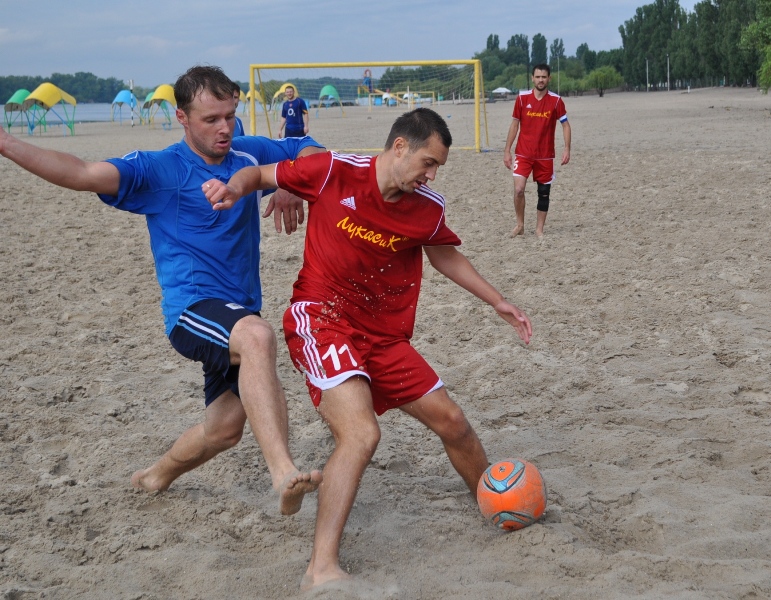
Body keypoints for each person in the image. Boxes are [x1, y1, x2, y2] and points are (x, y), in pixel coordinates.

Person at [203, 107, 533, 590]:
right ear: (399, 147)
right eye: (427, 162)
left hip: (382, 336)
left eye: (437, 167)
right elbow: (259, 174)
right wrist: (234, 188)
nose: (431, 175)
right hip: (321, 320)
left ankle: (496, 498)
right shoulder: (333, 170)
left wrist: (497, 300)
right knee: (361, 434)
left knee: (454, 422)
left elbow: (443, 253)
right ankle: (320, 569)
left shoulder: (427, 206)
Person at [0, 65, 323, 516]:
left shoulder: (249, 155)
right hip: (192, 310)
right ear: (182, 118)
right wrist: (5, 142)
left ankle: (155, 476)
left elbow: (313, 150)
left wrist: (290, 180)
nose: (225, 128)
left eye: (229, 116)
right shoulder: (160, 169)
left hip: (236, 310)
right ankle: (284, 472)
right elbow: (82, 172)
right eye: (211, 119)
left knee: (224, 430)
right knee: (258, 337)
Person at [503, 63, 571, 238]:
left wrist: (567, 148)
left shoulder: (556, 101)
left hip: (545, 155)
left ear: (549, 79)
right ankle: (520, 225)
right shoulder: (522, 99)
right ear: (532, 78)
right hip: (523, 153)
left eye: (544, 77)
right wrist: (507, 150)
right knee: (519, 189)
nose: (541, 80)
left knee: (544, 193)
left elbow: (565, 125)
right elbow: (514, 124)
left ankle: (539, 229)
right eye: (538, 77)